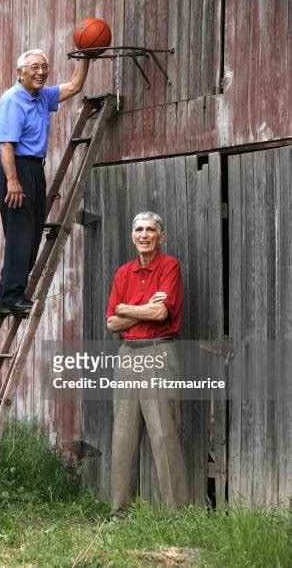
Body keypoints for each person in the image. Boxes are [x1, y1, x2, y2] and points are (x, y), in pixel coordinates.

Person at [0, 49, 89, 314]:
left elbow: (75, 85)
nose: (41, 72)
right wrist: (13, 181)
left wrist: (86, 55)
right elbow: (6, 145)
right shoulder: (13, 100)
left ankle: (2, 291)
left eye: (44, 67)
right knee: (22, 235)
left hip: (33, 169)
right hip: (15, 169)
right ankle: (11, 297)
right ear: (20, 73)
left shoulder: (42, 97)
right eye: (34, 67)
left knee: (31, 235)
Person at [106, 211, 189, 511]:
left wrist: (126, 308)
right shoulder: (122, 273)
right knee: (123, 435)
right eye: (139, 229)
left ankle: (176, 514)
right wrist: (139, 308)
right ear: (132, 236)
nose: (144, 235)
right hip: (127, 354)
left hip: (158, 352)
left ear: (160, 236)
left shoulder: (169, 267)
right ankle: (120, 513)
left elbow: (160, 314)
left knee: (164, 433)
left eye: (150, 230)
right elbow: (112, 324)